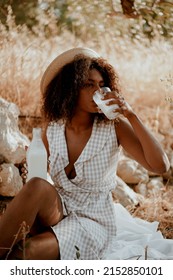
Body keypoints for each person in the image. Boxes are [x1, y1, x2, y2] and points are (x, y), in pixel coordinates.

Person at [0, 47, 171, 260]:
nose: (98, 91)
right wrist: (31, 166)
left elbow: (160, 166)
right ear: (70, 88)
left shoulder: (114, 126)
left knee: (25, 252)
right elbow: (40, 176)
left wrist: (131, 114)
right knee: (35, 185)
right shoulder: (53, 127)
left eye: (101, 85)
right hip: (59, 208)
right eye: (88, 84)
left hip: (92, 219)